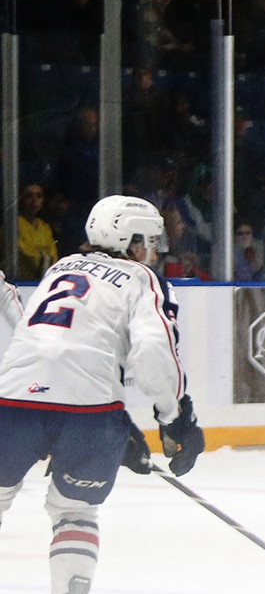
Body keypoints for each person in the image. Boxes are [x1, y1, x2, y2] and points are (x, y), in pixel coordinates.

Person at [0, 195, 204, 594]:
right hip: (91, 412)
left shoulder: (60, 267)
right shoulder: (143, 280)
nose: (153, 252)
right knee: (76, 513)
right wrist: (174, 418)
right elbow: (152, 353)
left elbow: (40, 334)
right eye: (149, 241)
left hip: (13, 402)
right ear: (130, 240)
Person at [17, 182, 58, 281]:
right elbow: (24, 253)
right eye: (29, 196)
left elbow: (53, 254)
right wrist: (44, 261)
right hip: (20, 281)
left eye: (39, 196)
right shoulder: (13, 225)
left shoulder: (45, 227)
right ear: (21, 199)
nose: (34, 201)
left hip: (43, 281)